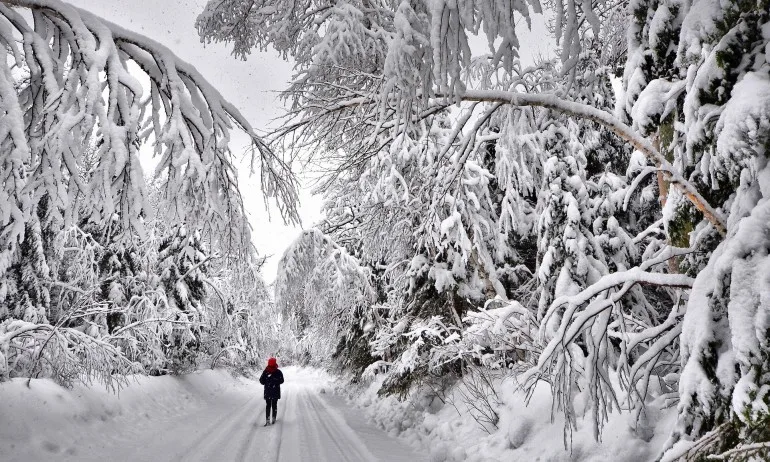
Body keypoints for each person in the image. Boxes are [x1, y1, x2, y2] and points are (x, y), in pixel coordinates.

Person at [259, 357, 284, 425]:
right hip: (275, 392)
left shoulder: (266, 371)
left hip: (268, 392)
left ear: (268, 363)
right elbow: (282, 381)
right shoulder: (278, 372)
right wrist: (276, 381)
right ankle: (273, 419)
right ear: (275, 363)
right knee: (274, 405)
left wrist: (267, 382)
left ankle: (267, 420)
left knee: (268, 405)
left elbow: (261, 381)